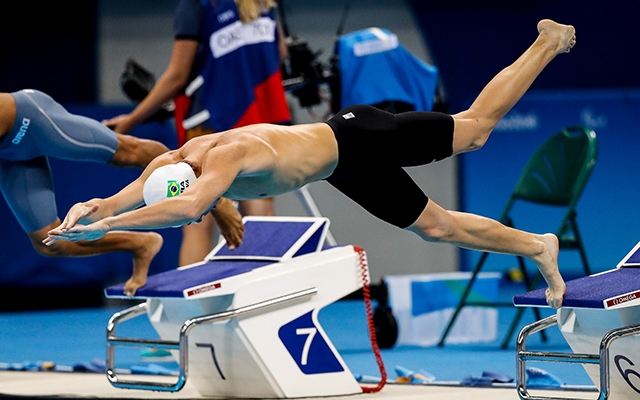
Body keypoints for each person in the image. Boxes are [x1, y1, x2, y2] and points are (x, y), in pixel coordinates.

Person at [47, 19, 575, 309]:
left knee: (475, 130)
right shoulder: (179, 154)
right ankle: (537, 246)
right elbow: (128, 194)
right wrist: (90, 213)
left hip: (358, 133)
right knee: (437, 227)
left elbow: (188, 209)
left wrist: (113, 226)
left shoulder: (223, 156)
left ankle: (546, 41)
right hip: (343, 167)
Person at [0, 89, 244, 296]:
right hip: (8, 155)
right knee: (50, 241)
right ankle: (140, 244)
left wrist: (215, 201)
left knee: (132, 153)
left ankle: (218, 199)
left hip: (29, 119)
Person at [102, 0, 291, 267]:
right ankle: (267, 296)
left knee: (196, 219)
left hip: (211, 125)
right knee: (259, 208)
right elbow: (281, 54)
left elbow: (177, 76)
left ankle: (194, 306)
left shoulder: (197, 5)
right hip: (261, 121)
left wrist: (131, 120)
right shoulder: (265, 3)